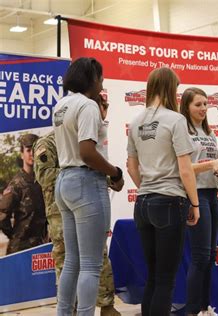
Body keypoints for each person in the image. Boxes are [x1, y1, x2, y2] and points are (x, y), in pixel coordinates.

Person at [33, 94, 121, 316]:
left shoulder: (90, 140)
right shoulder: (50, 143)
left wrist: (106, 176)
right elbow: (45, 177)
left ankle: (106, 306)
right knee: (69, 264)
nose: (101, 114)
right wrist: (78, 173)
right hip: (61, 214)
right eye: (100, 108)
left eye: (105, 108)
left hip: (85, 206)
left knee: (97, 260)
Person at [53, 57, 124, 316]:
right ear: (91, 79)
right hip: (85, 182)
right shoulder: (87, 105)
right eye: (101, 78)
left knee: (72, 260)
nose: (102, 83)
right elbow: (87, 152)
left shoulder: (61, 105)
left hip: (64, 181)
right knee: (91, 265)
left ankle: (64, 313)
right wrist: (115, 173)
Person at [126, 67, 199, 316]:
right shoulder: (176, 120)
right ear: (169, 88)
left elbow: (131, 166)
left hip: (143, 203)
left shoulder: (136, 122)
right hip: (169, 202)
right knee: (166, 279)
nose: (178, 94)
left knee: (154, 276)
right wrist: (195, 204)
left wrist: (147, 187)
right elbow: (186, 169)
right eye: (176, 88)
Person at [180, 87, 218, 315]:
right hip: (195, 194)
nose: (202, 108)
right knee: (200, 256)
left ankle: (204, 307)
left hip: (212, 194)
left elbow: (214, 164)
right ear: (186, 106)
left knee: (211, 256)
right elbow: (185, 168)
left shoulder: (210, 132)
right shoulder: (183, 131)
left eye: (205, 104)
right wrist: (211, 165)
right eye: (197, 104)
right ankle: (192, 310)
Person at [0, 133, 47, 255]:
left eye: (35, 149)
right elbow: (2, 216)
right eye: (28, 150)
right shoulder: (16, 184)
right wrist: (15, 236)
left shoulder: (44, 181)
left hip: (41, 247)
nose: (32, 153)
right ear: (22, 154)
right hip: (20, 250)